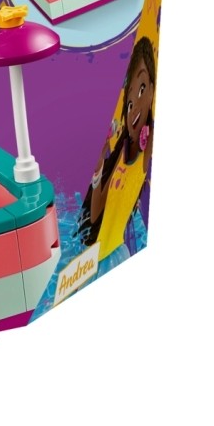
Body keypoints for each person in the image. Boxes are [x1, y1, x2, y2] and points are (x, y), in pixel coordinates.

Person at [78, 36, 156, 259]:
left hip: (115, 255)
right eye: (129, 104)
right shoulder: (121, 153)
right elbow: (95, 215)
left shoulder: (145, 154)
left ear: (152, 90)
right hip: (95, 258)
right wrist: (98, 169)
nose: (134, 108)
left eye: (142, 89)